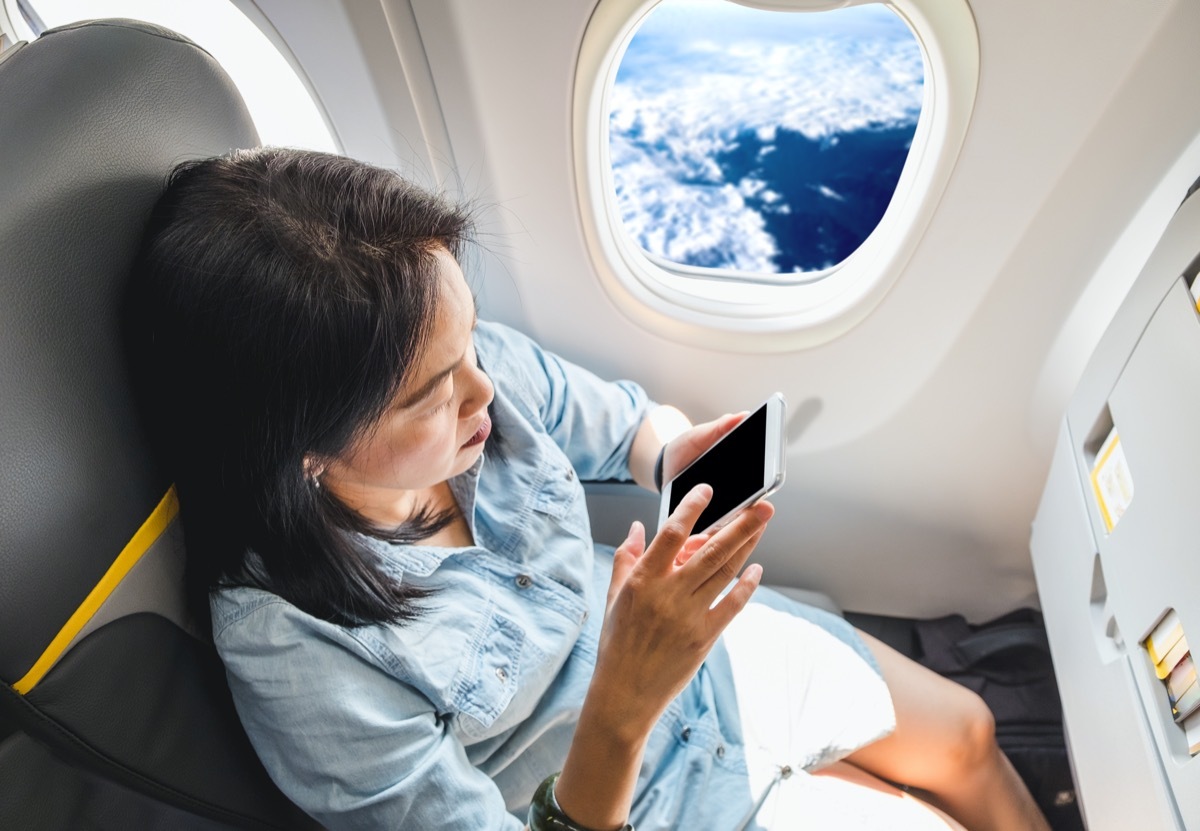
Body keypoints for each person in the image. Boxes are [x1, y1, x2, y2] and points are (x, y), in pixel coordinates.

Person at [124, 147, 1050, 831]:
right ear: (304, 451)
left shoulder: (461, 368)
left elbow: (619, 423)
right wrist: (624, 695)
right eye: (430, 394)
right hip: (621, 793)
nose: (484, 391)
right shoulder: (292, 646)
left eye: (471, 345)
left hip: (698, 671)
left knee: (967, 733)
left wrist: (671, 452)